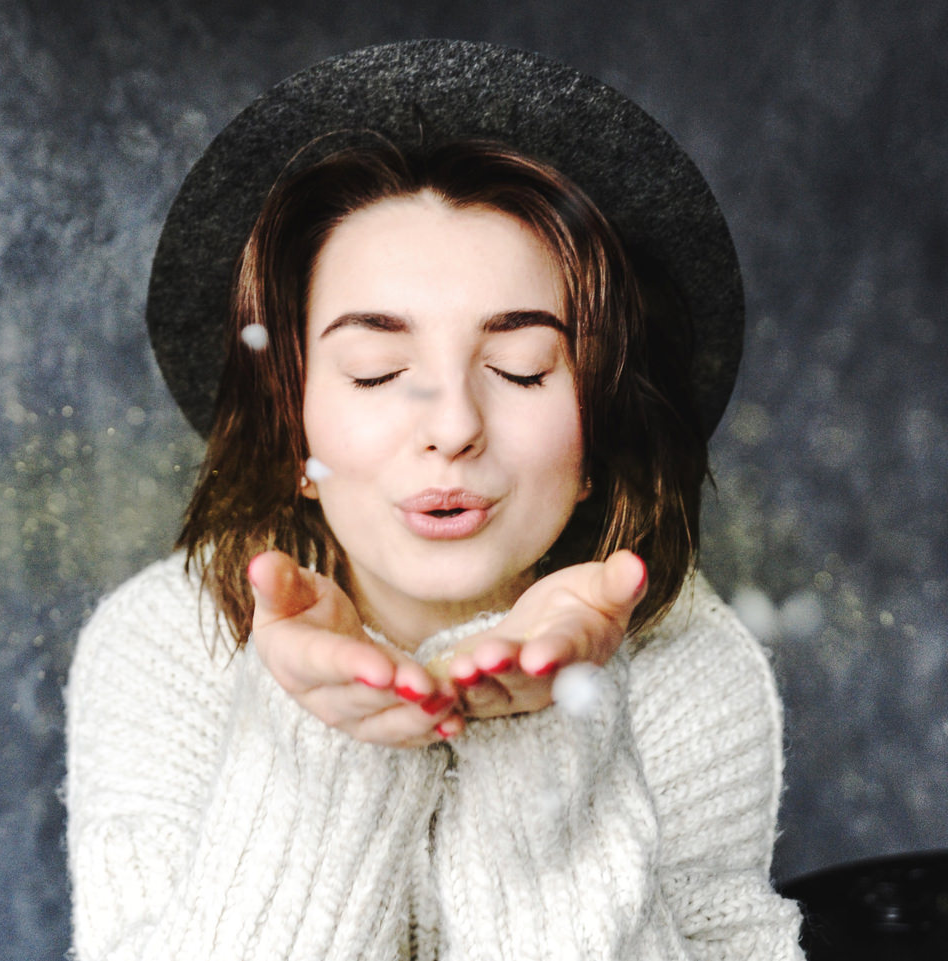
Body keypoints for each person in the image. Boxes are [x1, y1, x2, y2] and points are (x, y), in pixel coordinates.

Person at [64, 40, 803, 960]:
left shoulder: (688, 663)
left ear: (598, 438)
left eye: (520, 368)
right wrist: (318, 742)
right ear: (292, 434)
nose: (453, 425)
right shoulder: (165, 643)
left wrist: (546, 742)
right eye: (376, 370)